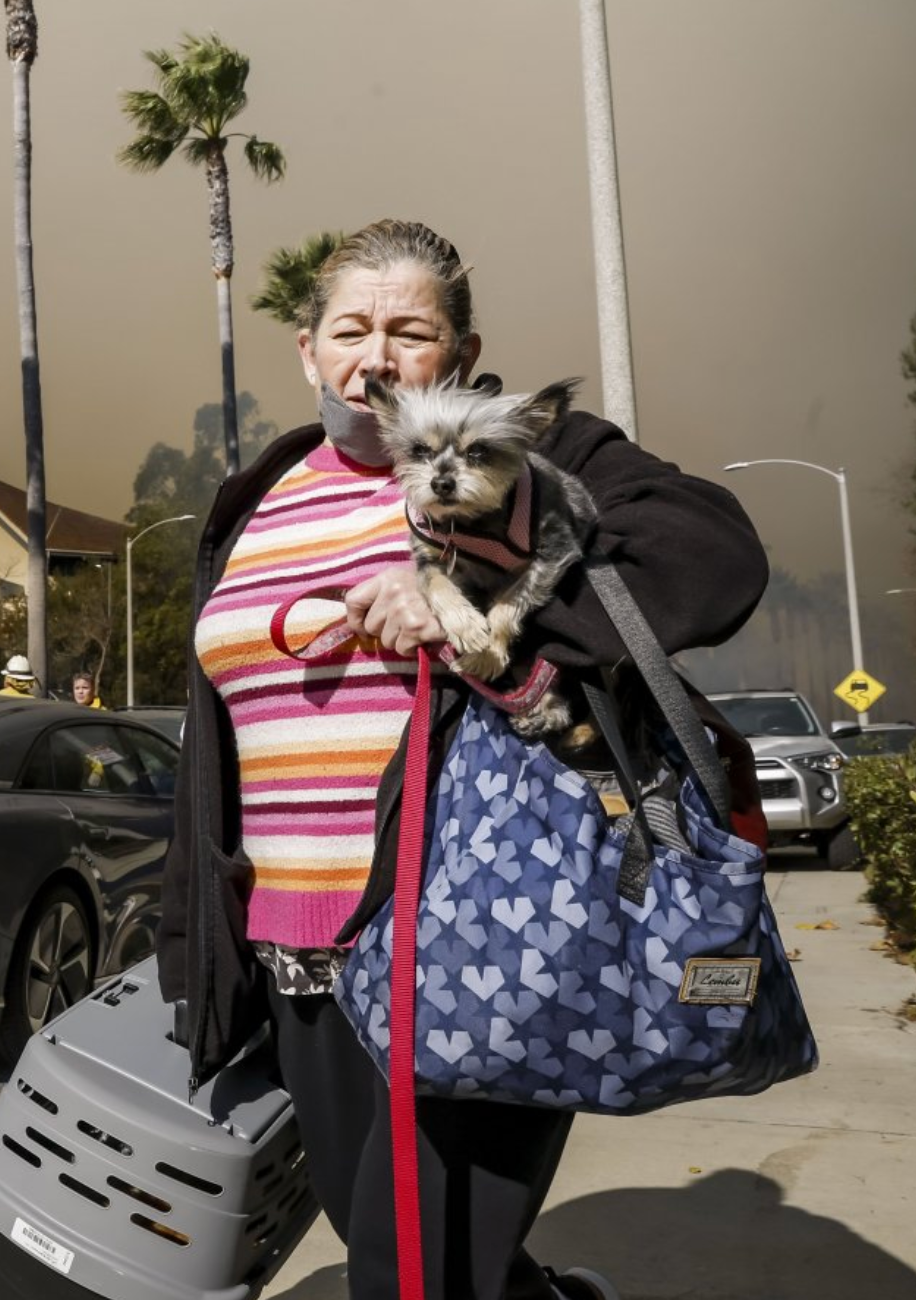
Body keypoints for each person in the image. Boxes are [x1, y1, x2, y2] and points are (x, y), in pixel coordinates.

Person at [155, 219, 766, 1300]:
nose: (375, 356)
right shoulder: (257, 497)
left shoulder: (529, 457)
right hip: (298, 958)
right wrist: (198, 934)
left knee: (408, 1275)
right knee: (414, 1258)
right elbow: (222, 741)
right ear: (308, 352)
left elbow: (713, 554)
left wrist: (484, 603)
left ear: (466, 355)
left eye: (410, 331)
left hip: (475, 938)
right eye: (349, 329)